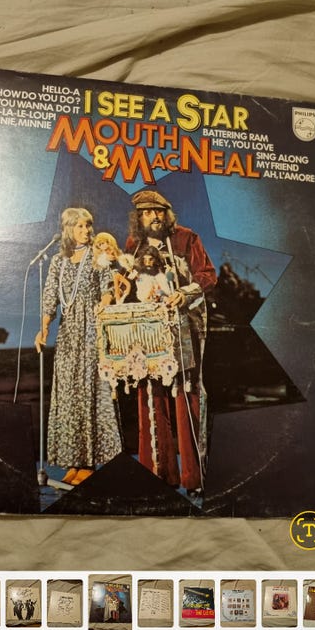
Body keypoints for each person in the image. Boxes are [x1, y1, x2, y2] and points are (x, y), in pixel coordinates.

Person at [125, 189, 217, 497]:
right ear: (139, 218)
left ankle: (195, 478)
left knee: (187, 394)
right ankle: (158, 476)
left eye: (159, 211)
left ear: (167, 214)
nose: (154, 217)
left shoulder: (186, 238)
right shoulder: (134, 245)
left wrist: (185, 293)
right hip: (147, 331)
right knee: (151, 395)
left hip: (186, 326)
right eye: (147, 213)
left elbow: (208, 275)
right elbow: (125, 283)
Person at [35, 208, 122, 484]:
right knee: (68, 394)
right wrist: (44, 328)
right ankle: (73, 461)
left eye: (88, 226)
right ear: (68, 229)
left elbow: (108, 287)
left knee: (89, 392)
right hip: (67, 334)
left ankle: (90, 463)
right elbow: (50, 296)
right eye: (80, 226)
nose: (86, 231)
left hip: (92, 331)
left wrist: (103, 306)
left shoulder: (97, 255)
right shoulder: (58, 261)